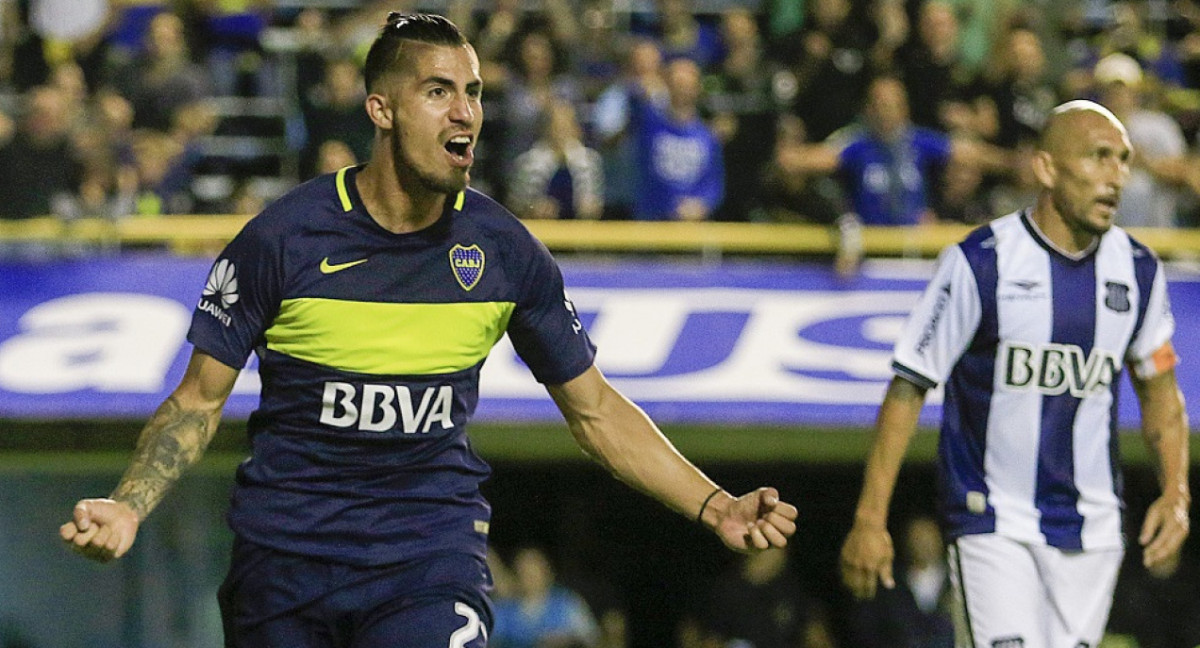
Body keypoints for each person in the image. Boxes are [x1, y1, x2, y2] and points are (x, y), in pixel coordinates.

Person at [58, 13, 798, 648]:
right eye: (438, 91)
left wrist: (715, 504)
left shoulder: (506, 254)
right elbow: (196, 401)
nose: (465, 112)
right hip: (284, 568)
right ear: (381, 109)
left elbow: (596, 411)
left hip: (426, 564)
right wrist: (129, 505)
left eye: (473, 92)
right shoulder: (281, 240)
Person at [839, 100, 1190, 648]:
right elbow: (909, 385)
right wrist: (870, 517)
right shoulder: (981, 262)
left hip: (1092, 530)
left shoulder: (1140, 271)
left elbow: (1161, 392)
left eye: (1122, 161)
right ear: (1047, 169)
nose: (1116, 176)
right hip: (992, 521)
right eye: (1099, 158)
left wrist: (1175, 492)